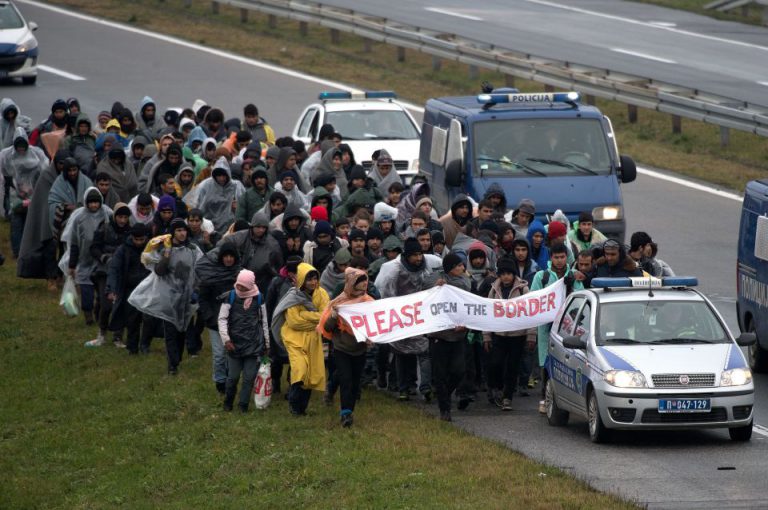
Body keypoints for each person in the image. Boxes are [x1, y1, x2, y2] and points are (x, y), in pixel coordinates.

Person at [143, 218, 203, 374]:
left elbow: (201, 269)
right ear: (172, 232)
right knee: (170, 331)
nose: (182, 233)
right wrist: (167, 255)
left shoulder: (192, 249)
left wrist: (196, 290)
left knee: (182, 330)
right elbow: (159, 271)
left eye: (184, 230)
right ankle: (172, 365)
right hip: (168, 296)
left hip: (186, 297)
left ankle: (177, 358)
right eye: (178, 230)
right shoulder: (164, 249)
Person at [530, 242, 584, 413]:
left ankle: (566, 399)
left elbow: (580, 299)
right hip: (547, 328)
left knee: (565, 362)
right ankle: (544, 398)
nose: (559, 261)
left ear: (566, 257)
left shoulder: (573, 276)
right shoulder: (542, 276)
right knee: (546, 362)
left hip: (568, 329)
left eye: (562, 257)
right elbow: (534, 299)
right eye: (556, 257)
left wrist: (571, 284)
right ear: (551, 258)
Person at [272, 263, 330, 416]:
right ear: (302, 279)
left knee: (311, 374)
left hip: (312, 339)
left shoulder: (322, 294)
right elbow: (293, 322)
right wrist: (315, 318)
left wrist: (305, 315)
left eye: (315, 278)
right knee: (300, 370)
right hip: (294, 338)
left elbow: (325, 316)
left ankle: (300, 409)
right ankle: (293, 403)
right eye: (309, 279)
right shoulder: (293, 296)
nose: (312, 282)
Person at [318, 267, 374, 427]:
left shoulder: (369, 302)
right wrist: (334, 317)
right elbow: (327, 328)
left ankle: (345, 404)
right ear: (351, 283)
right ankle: (346, 414)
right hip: (341, 348)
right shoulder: (339, 303)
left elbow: (375, 323)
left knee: (355, 381)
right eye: (359, 281)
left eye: (365, 280)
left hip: (360, 349)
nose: (364, 284)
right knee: (346, 380)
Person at [483, 257, 536, 411]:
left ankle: (507, 397)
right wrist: (486, 336)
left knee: (513, 367)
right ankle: (497, 388)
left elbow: (530, 314)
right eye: (503, 274)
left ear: (513, 274)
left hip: (517, 336)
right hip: (499, 335)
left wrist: (531, 336)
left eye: (509, 273)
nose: (506, 276)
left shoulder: (523, 290)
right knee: (496, 363)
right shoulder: (494, 290)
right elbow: (487, 314)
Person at [425, 253, 471, 421]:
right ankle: (445, 409)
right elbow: (425, 291)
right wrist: (435, 287)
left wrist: (465, 324)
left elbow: (469, 304)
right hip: (439, 336)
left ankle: (443, 393)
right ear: (450, 268)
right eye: (458, 265)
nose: (462, 268)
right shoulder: (436, 278)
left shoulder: (465, 281)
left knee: (458, 371)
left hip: (458, 335)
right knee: (440, 373)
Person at [218, 269, 270, 413]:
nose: (240, 288)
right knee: (232, 377)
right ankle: (228, 403)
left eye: (243, 286)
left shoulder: (259, 298)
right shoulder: (230, 297)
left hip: (253, 345)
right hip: (234, 345)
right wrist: (226, 340)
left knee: (249, 378)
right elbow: (222, 319)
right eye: (238, 285)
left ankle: (243, 406)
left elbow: (264, 321)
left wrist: (266, 344)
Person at [85, 203, 132, 347]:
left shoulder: (130, 232)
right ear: (115, 216)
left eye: (125, 217)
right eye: (120, 217)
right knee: (106, 305)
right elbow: (94, 248)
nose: (122, 220)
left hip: (122, 273)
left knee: (121, 305)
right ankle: (102, 333)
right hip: (103, 271)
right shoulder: (104, 228)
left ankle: (118, 336)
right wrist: (104, 257)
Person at [64, 187, 112, 326]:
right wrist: (72, 265)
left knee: (102, 291)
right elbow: (74, 243)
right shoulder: (79, 218)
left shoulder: (107, 214)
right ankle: (88, 315)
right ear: (86, 202)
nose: (94, 205)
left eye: (96, 202)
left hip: (102, 260)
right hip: (84, 261)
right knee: (86, 291)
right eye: (91, 203)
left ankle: (99, 312)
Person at [107, 223, 150, 354]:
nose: (138, 242)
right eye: (136, 239)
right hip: (129, 289)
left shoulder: (151, 248)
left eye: (141, 239)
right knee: (132, 320)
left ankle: (145, 345)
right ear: (132, 237)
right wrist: (111, 289)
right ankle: (132, 348)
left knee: (149, 319)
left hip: (147, 289)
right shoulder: (123, 249)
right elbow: (114, 269)